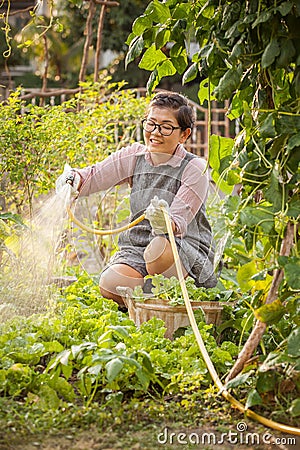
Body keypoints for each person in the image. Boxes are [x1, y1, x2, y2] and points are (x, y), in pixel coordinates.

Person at [56, 92, 218, 306]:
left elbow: (177, 223)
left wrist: (164, 221)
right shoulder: (135, 156)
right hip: (138, 247)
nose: (155, 133)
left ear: (184, 135)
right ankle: (156, 303)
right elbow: (93, 177)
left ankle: (171, 296)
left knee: (157, 251)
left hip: (182, 248)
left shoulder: (194, 168)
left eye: (166, 127)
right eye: (151, 124)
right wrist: (73, 179)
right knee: (110, 282)